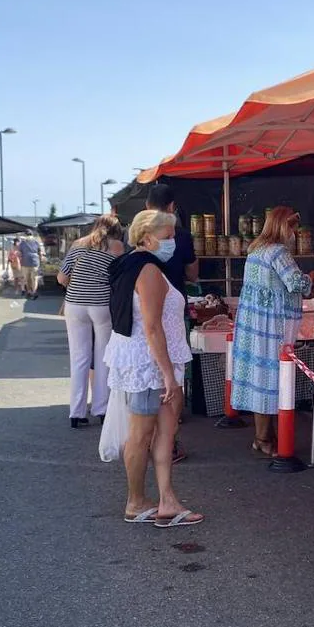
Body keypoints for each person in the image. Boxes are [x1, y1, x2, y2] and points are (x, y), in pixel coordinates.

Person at [103, 210, 202, 527]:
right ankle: (135, 501)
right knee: (142, 434)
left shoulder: (134, 266)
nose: (173, 242)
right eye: (168, 236)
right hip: (150, 365)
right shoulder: (146, 270)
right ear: (146, 237)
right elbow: (152, 327)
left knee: (164, 433)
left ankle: (167, 500)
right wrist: (169, 376)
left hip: (153, 362)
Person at [230, 206, 314, 456]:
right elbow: (295, 282)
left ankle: (262, 436)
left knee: (259, 380)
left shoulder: (255, 250)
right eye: (293, 228)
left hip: (252, 323)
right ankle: (267, 439)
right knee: (272, 379)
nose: (295, 233)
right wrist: (311, 276)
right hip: (272, 326)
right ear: (284, 227)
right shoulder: (279, 252)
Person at [58, 215, 125, 429]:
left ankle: (76, 412)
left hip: (74, 305)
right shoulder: (117, 247)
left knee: (79, 358)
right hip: (100, 305)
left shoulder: (78, 244)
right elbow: (119, 278)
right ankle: (101, 409)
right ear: (117, 230)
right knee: (103, 356)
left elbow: (61, 277)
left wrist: (78, 284)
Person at [144, 184, 198, 295]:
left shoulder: (134, 235)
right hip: (175, 301)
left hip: (143, 302)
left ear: (147, 205)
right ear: (171, 207)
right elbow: (192, 275)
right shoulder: (182, 236)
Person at [17, 232, 43, 299]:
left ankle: (31, 292)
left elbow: (19, 254)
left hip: (27, 263)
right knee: (32, 279)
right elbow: (40, 253)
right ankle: (32, 292)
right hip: (33, 263)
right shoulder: (35, 242)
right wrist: (40, 262)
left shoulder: (23, 243)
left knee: (29, 278)